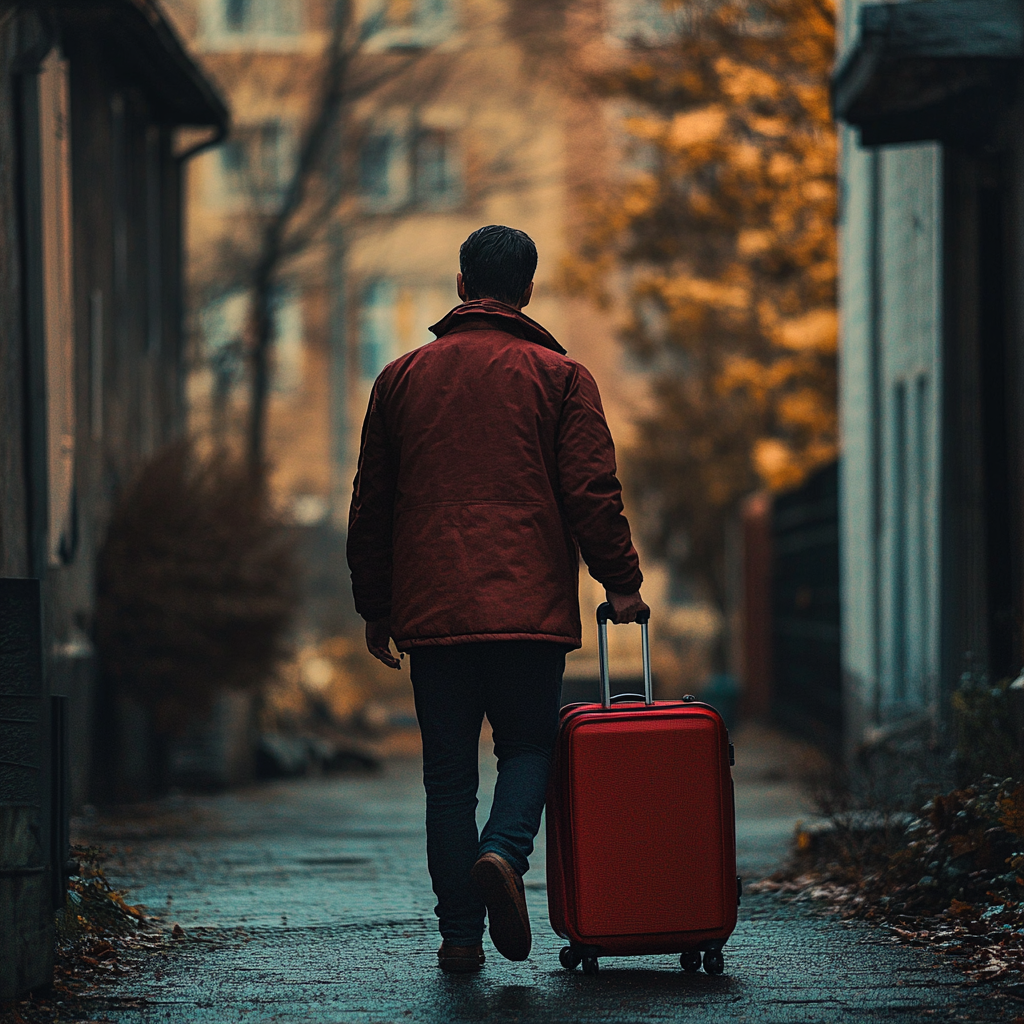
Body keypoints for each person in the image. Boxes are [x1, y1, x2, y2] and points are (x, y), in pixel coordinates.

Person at [347, 224, 647, 973]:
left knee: (447, 775)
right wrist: (621, 583)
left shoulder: (400, 379)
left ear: (459, 285)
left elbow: (371, 505)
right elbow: (591, 491)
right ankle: (504, 853)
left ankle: (458, 936)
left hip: (433, 612)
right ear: (528, 290)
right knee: (526, 747)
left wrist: (374, 605)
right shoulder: (562, 377)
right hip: (528, 611)